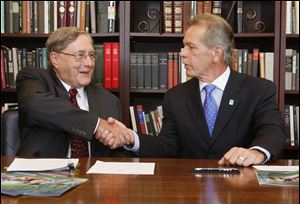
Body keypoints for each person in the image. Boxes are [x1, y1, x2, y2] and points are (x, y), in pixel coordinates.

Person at [101, 14, 286, 167]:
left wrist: (256, 153)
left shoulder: (259, 90)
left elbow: (272, 132)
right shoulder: (176, 96)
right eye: (183, 46)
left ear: (217, 53)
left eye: (191, 47)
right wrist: (129, 138)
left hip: (240, 189)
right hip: (189, 189)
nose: (182, 53)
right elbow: (167, 147)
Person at [16, 27, 133, 158]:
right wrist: (96, 125)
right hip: (42, 175)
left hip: (94, 176)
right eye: (80, 56)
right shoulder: (35, 78)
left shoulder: (109, 100)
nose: (89, 63)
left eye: (92, 56)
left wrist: (118, 139)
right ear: (55, 59)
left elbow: (116, 154)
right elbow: (33, 105)